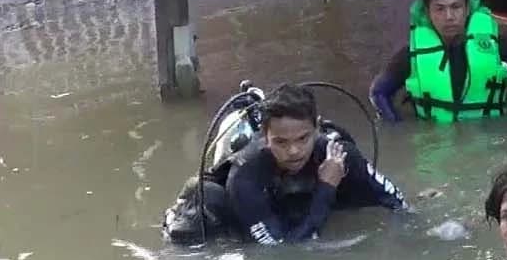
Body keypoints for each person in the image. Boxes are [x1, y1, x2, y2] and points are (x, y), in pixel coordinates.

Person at [163, 83, 407, 246]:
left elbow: (399, 204)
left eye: (303, 138)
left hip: (299, 202)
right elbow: (284, 253)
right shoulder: (245, 176)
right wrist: (325, 189)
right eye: (280, 141)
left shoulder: (337, 154)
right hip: (255, 215)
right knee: (199, 221)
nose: (293, 151)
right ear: (265, 137)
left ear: (317, 129)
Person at [370, 0, 507, 122]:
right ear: (427, 12)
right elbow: (378, 93)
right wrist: (396, 126)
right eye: (440, 9)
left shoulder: (494, 46)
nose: (449, 16)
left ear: (468, 8)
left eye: (456, 7)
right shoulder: (411, 55)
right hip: (435, 142)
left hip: (489, 137)